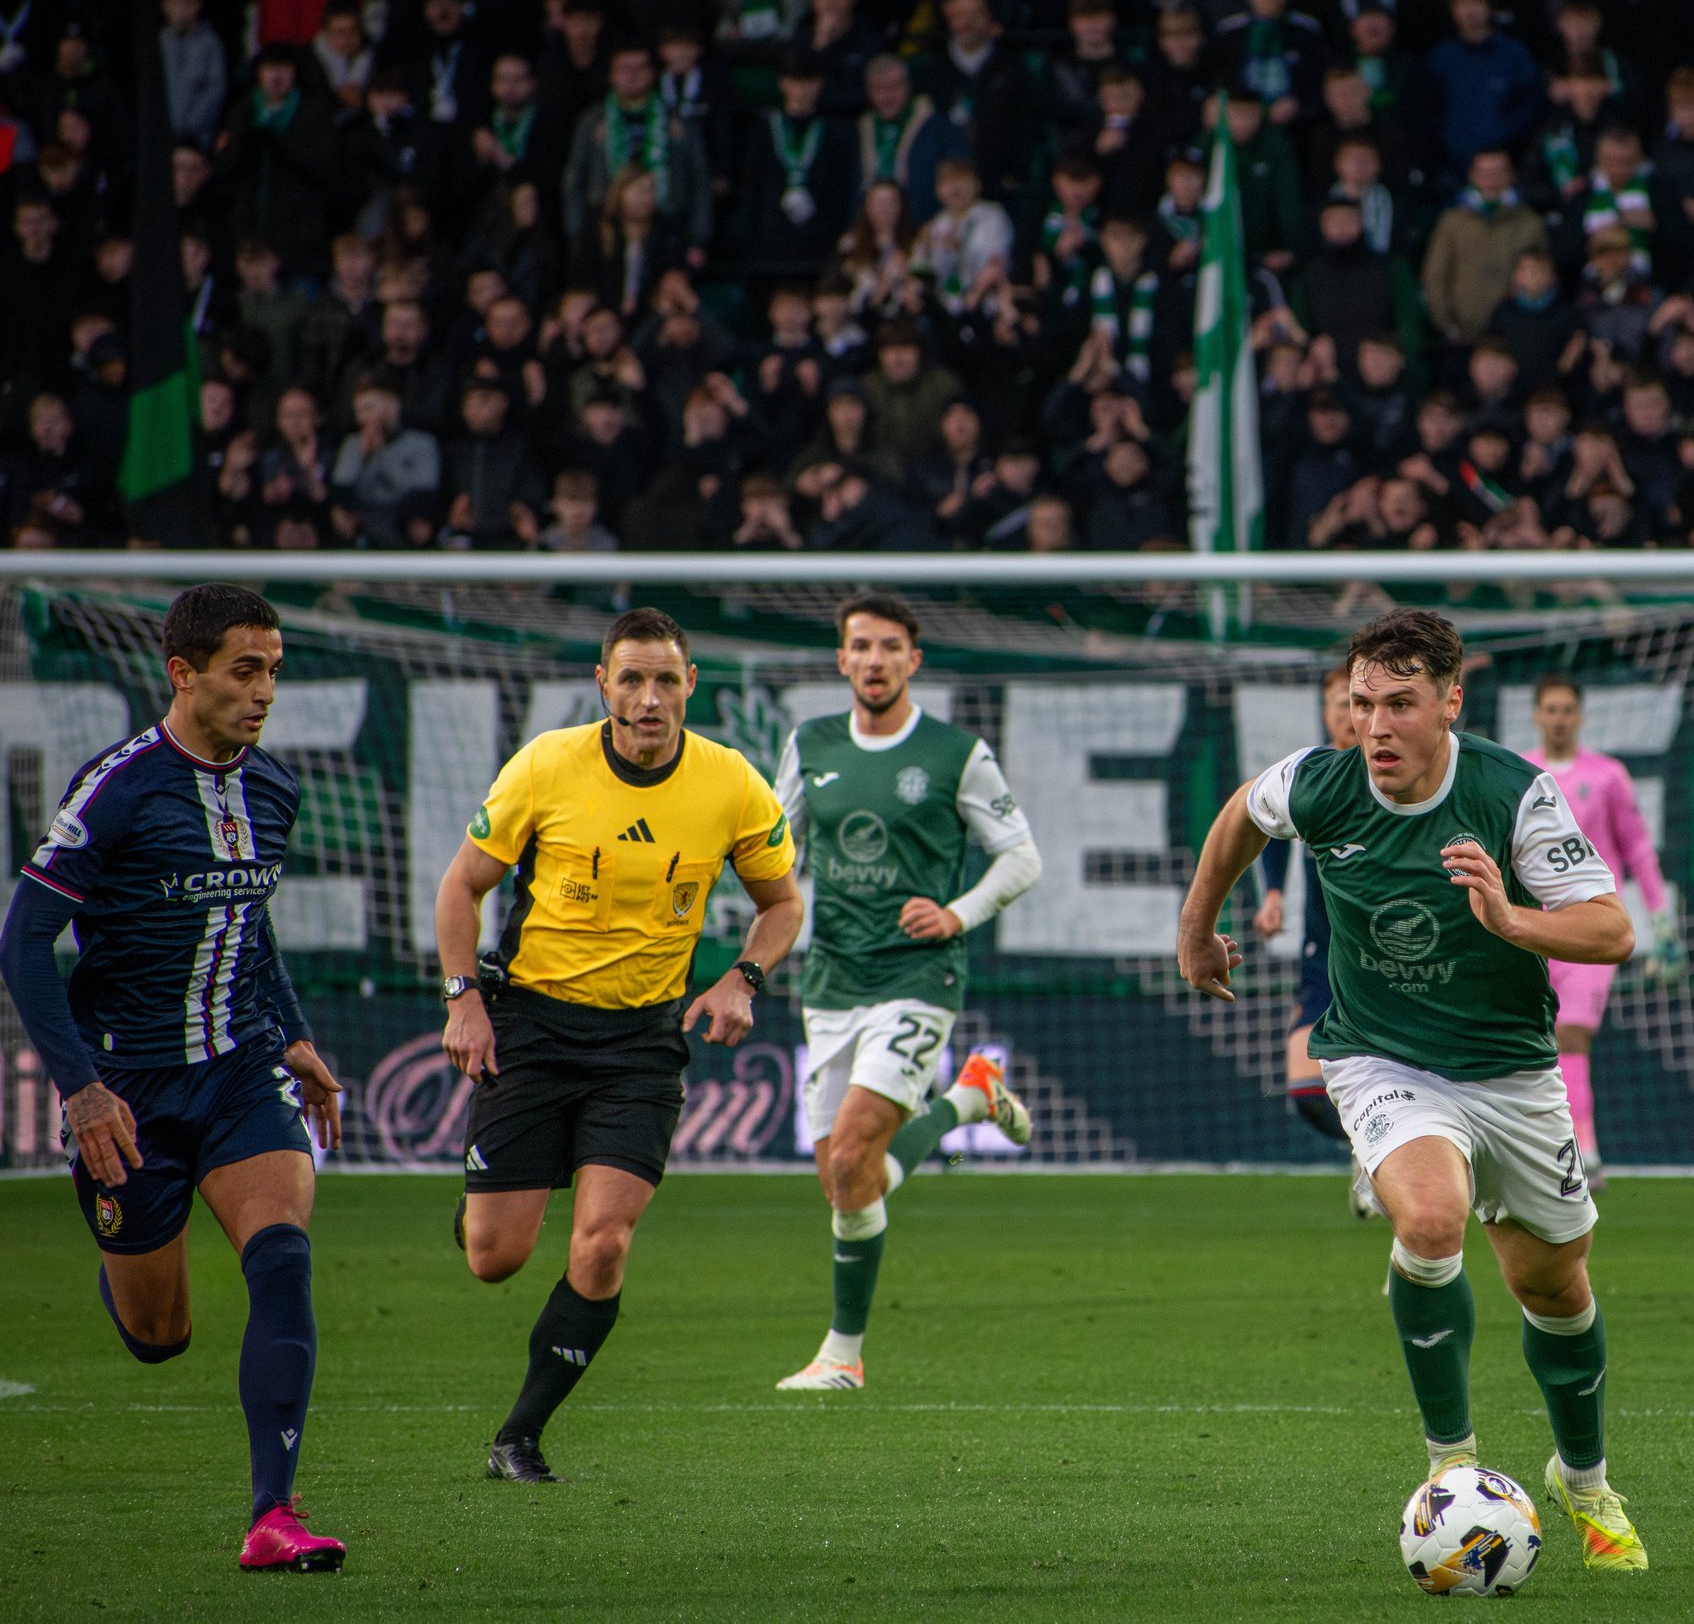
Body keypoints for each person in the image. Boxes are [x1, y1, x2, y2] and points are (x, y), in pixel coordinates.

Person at [1177, 608, 1648, 1573]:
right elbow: (1239, 816)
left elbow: (1611, 930)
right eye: (1362, 704)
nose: (1376, 726)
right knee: (1431, 1221)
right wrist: (1198, 928)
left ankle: (1586, 1481)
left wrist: (1513, 920)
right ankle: (1453, 1472)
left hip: (1512, 1069)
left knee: (1553, 1285)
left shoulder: (1513, 793)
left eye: (1400, 703)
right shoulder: (1321, 782)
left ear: (1450, 702)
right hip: (1380, 1056)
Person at [0, 586, 346, 1570]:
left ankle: (273, 1514)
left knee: (281, 1254)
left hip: (239, 1074)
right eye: (245, 667)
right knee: (161, 1335)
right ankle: (131, 1259)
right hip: (128, 1093)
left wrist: (295, 1035)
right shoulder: (116, 787)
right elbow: (24, 940)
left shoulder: (273, 788)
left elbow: (252, 924)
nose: (264, 688)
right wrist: (80, 1087)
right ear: (182, 671)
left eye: (274, 667)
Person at [436, 609, 802, 1482]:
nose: (649, 699)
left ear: (691, 685)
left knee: (601, 1244)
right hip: (531, 1023)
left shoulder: (732, 783)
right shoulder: (546, 764)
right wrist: (463, 998)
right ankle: (494, 1196)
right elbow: (463, 885)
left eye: (665, 681)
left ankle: (518, 1435)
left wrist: (741, 978)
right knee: (496, 1257)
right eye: (631, 680)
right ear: (603, 684)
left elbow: (782, 904)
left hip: (642, 1039)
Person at [770, 593, 1042, 1391]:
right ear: (841, 658)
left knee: (854, 1155)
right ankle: (969, 1099)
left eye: (892, 646)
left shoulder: (957, 752)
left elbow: (1019, 857)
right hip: (831, 976)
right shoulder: (809, 744)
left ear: (914, 660)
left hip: (918, 976)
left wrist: (957, 912)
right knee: (842, 1183)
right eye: (862, 646)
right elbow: (772, 849)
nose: (877, 659)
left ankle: (842, 1357)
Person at [1519, 674, 1679, 1191]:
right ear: (1537, 715)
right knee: (1534, 1043)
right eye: (1551, 709)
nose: (1559, 718)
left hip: (1588, 925)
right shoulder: (1520, 772)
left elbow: (1635, 849)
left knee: (1571, 1035)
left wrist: (1661, 920)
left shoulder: (1607, 776)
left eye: (1568, 709)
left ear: (1580, 715)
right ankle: (1545, 1151)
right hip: (1532, 927)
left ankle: (1584, 1149)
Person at [1248, 665, 1377, 1217]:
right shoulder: (1310, 775)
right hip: (1323, 952)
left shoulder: (1392, 775)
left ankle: (1393, 1156)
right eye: (1333, 702)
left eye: (1352, 701)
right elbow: (1268, 826)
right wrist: (1272, 893)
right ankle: (1372, 1150)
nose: (1341, 713)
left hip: (1383, 953)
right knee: (1305, 1091)